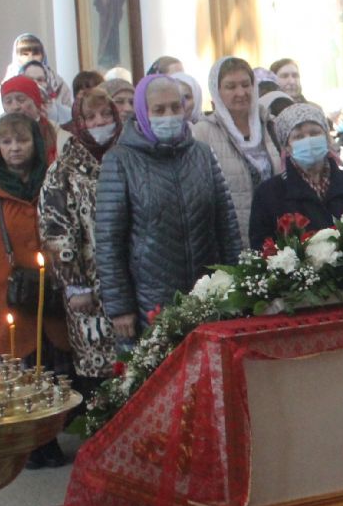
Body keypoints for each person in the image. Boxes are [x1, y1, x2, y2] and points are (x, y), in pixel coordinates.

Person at [96, 75, 241, 333]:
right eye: (159, 110)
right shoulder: (120, 160)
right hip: (149, 301)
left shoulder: (202, 154)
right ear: (143, 112)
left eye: (175, 107)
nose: (169, 116)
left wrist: (235, 282)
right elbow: (109, 241)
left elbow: (226, 225)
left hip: (207, 293)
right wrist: (120, 307)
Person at [0, 114, 71, 465]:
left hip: (51, 291)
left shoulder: (52, 180)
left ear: (36, 143)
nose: (15, 148)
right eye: (6, 142)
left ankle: (48, 438)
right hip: (9, 294)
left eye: (22, 140)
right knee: (18, 369)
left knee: (51, 367)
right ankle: (26, 445)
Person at [39, 87, 121, 394]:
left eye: (106, 114)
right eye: (91, 116)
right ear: (79, 121)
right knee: (99, 376)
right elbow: (55, 230)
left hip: (132, 281)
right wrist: (74, 284)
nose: (100, 122)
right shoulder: (64, 168)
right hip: (89, 287)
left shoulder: (128, 157)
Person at [249, 103, 343, 250]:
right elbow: (262, 248)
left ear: (327, 138)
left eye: (314, 133)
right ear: (287, 147)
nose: (308, 140)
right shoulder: (268, 194)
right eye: (298, 136)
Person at [194, 57, 278, 248]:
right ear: (217, 91)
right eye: (230, 87)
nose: (241, 93)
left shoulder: (270, 124)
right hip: (230, 238)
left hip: (274, 234)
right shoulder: (203, 132)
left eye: (245, 85)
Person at [0, 34, 71, 127]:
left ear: (43, 55)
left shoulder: (58, 84)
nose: (30, 58)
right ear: (16, 56)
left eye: (35, 54)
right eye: (25, 54)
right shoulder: (5, 87)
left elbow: (71, 114)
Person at [0, 76, 63, 161]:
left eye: (21, 100)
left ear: (36, 102)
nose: (15, 107)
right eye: (8, 102)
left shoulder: (58, 134)